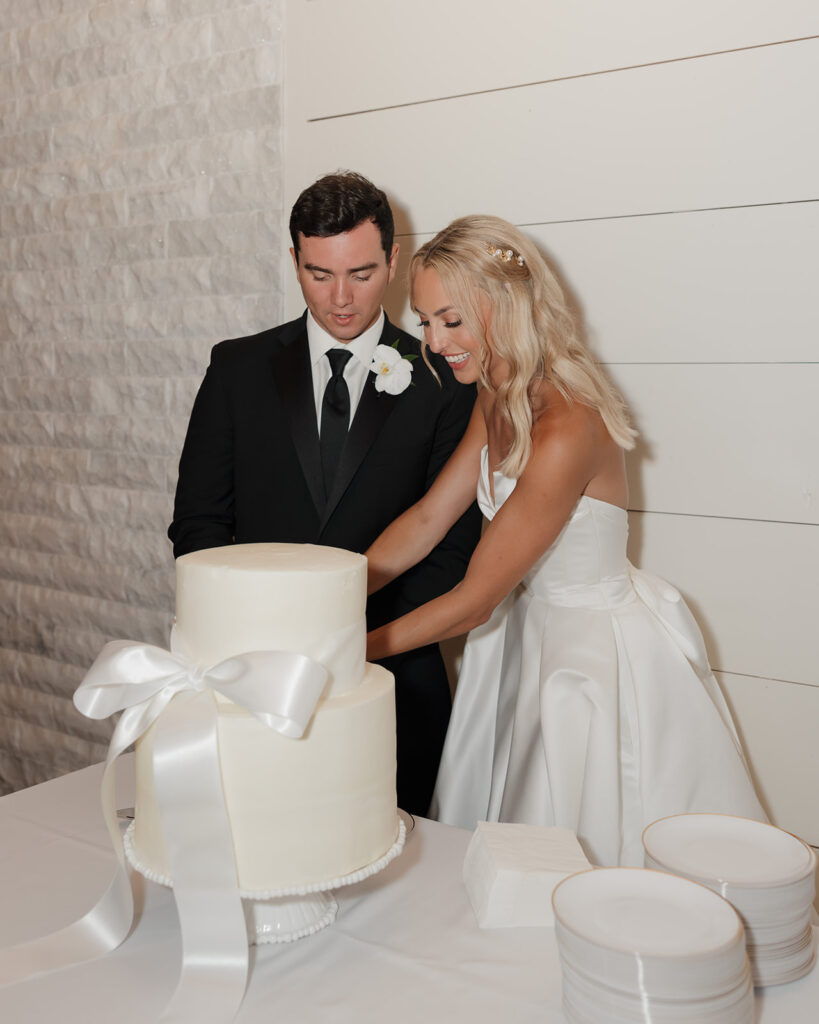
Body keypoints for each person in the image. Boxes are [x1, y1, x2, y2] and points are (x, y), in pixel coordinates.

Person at [365, 214, 765, 865]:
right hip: (525, 637)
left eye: (451, 319)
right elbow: (426, 522)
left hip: (587, 657)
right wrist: (328, 590)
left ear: (503, 306)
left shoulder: (565, 423)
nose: (434, 342)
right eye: (424, 320)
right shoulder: (493, 391)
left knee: (581, 851)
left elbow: (474, 602)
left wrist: (347, 649)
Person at [168, 172, 482, 816]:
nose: (341, 299)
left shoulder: (446, 378)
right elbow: (198, 526)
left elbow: (453, 551)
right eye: (319, 274)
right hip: (254, 669)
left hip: (395, 681)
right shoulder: (235, 369)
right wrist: (258, 628)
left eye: (362, 274)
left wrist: (337, 634)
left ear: (393, 261)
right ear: (294, 260)